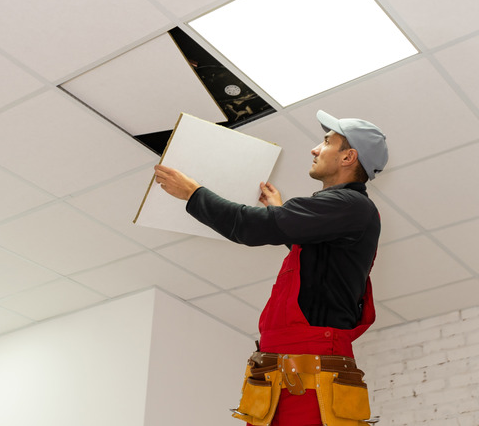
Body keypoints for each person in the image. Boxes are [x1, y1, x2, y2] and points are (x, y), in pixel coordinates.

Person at [153, 110, 388, 426]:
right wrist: (280, 214)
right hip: (282, 376)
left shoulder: (350, 205)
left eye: (326, 141)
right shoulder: (343, 213)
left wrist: (193, 194)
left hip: (311, 378)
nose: (315, 149)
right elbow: (319, 263)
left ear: (348, 157)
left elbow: (248, 227)